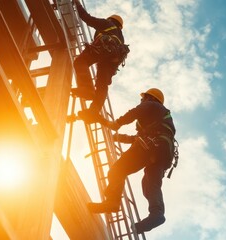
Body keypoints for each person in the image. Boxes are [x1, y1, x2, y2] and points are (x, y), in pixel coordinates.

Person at [87, 88, 176, 234]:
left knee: (118, 169)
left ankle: (112, 202)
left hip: (151, 146)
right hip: (162, 152)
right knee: (150, 184)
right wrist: (117, 137)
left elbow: (136, 111)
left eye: (143, 99)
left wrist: (117, 123)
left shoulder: (152, 105)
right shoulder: (159, 119)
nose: (141, 101)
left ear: (149, 98)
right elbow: (136, 138)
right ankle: (157, 214)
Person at [72, 0, 129, 116]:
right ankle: (92, 112)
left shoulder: (107, 24)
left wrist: (77, 3)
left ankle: (87, 88)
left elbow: (86, 17)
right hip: (113, 59)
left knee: (80, 62)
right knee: (102, 85)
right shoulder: (120, 36)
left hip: (104, 49)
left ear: (111, 19)